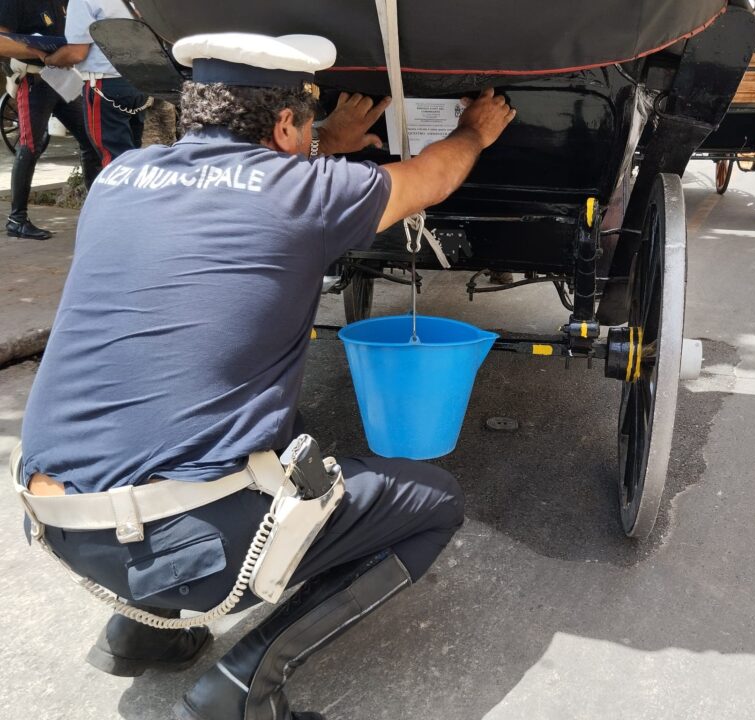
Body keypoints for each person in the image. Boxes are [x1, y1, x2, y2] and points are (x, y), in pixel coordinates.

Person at [14, 32, 514, 720]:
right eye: (305, 123)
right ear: (285, 124)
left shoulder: (121, 179)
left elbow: (232, 178)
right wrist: (473, 129)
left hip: (55, 519)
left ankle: (139, 632)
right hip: (187, 540)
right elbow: (432, 175)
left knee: (261, 418)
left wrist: (324, 143)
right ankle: (243, 690)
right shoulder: (306, 192)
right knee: (434, 502)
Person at [0, 0, 101, 239]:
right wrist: (36, 52)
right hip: (33, 78)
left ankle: (94, 210)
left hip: (62, 78)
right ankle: (17, 219)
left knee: (90, 139)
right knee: (30, 145)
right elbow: (2, 42)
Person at [44, 0, 151, 166]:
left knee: (113, 162)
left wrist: (48, 59)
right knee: (132, 158)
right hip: (138, 81)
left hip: (105, 83)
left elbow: (76, 53)